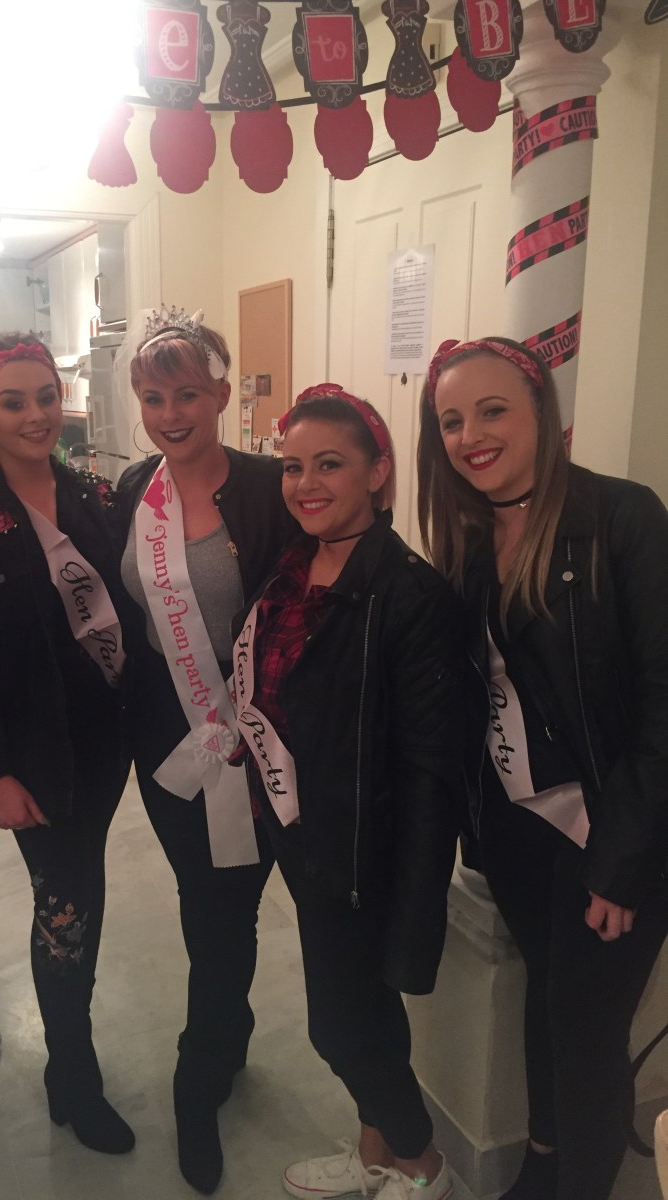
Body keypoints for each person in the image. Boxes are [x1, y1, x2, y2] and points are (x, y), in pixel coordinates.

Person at [416, 337, 668, 1200]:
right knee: (546, 1003)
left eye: (492, 411)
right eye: (451, 421)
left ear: (540, 412)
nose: (470, 436)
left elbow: (663, 703)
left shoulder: (622, 518)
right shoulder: (465, 534)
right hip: (521, 832)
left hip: (615, 834)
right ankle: (543, 1162)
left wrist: (622, 863)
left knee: (586, 1032)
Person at [230, 384, 463, 1200]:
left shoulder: (410, 595)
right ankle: (375, 1153)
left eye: (328, 464)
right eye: (292, 466)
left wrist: (417, 895)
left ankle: (422, 1166)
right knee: (367, 1013)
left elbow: (431, 768)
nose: (305, 484)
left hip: (364, 847)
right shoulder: (290, 566)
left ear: (377, 471)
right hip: (301, 830)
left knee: (338, 1026)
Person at [0, 332, 134, 1154]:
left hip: (104, 743)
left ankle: (68, 1069)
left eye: (45, 396)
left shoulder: (95, 494)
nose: (36, 415)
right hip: (34, 756)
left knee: (83, 888)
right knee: (65, 903)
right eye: (13, 402)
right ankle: (73, 1071)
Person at [116, 307, 295, 1194]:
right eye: (153, 399)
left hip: (259, 735)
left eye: (186, 394)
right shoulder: (132, 490)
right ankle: (222, 1041)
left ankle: (202, 1068)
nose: (169, 414)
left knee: (232, 904)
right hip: (169, 741)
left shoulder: (269, 489)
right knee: (206, 897)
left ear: (222, 395)